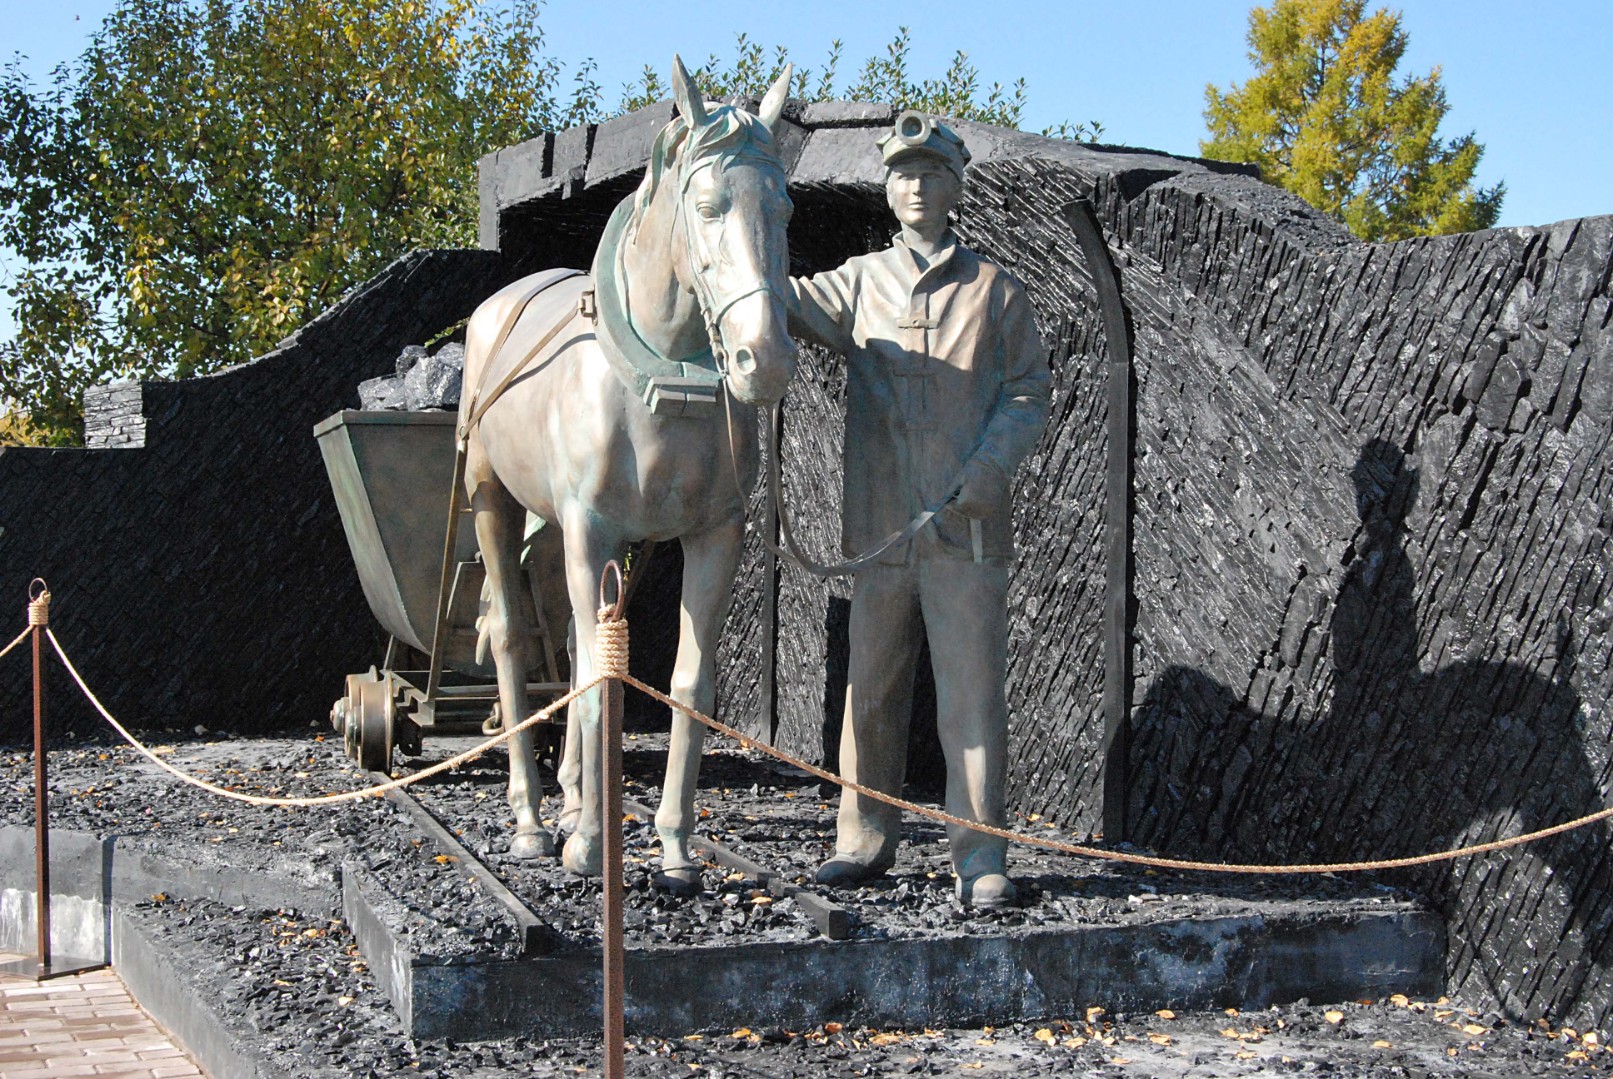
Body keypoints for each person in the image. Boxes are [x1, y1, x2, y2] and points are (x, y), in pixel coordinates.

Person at [787, 112, 1052, 907]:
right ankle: (862, 839)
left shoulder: (994, 290)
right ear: (887, 186)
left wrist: (989, 469)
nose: (915, 185)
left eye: (930, 172)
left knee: (970, 697)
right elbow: (773, 300)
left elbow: (1028, 391)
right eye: (902, 173)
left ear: (954, 185)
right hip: (878, 534)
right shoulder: (857, 281)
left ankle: (979, 857)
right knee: (869, 689)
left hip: (964, 532)